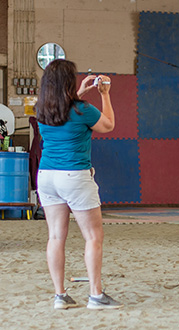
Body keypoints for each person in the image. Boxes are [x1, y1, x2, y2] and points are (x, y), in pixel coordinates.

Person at [35, 59, 122, 310]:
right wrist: (105, 95)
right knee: (93, 236)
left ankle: (60, 296)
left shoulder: (42, 110)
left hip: (47, 176)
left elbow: (63, 108)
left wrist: (80, 92)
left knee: (55, 237)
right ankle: (96, 296)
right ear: (68, 83)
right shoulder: (83, 109)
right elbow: (108, 125)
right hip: (74, 176)